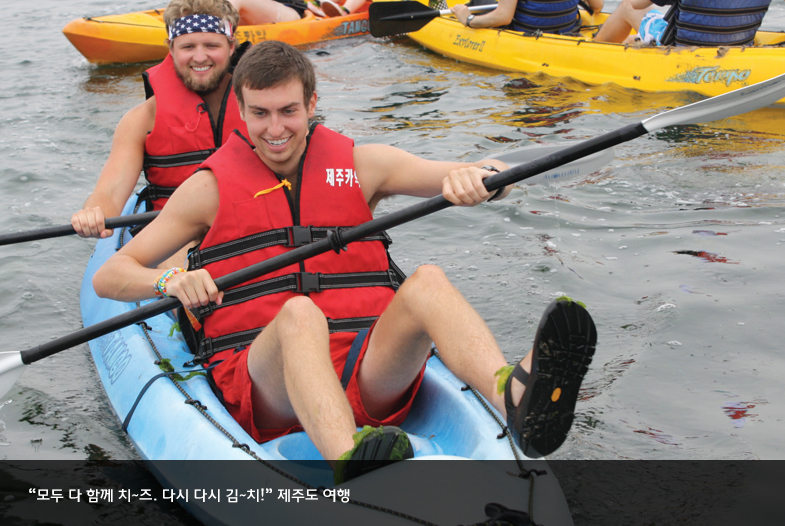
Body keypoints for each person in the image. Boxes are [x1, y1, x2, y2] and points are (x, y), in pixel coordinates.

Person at [93, 41, 597, 482]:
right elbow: (111, 275)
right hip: (267, 392)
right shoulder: (207, 189)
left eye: (289, 111)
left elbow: (487, 170)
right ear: (241, 111)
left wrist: (484, 178)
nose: (275, 129)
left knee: (428, 282)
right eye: (260, 113)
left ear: (312, 103)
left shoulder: (361, 166)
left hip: (364, 370)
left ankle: (511, 394)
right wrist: (170, 279)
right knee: (298, 313)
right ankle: (349, 458)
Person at [70, 0, 249, 244]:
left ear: (231, 47)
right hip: (174, 235)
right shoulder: (141, 120)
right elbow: (110, 193)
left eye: (211, 45)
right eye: (188, 46)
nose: (200, 57)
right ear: (171, 49)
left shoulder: (264, 108)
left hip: (247, 225)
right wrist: (94, 213)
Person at [594, 0, 772, 46]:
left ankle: (595, 50)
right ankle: (635, 40)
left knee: (627, 6)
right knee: (633, 39)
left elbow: (636, 4)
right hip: (738, 44)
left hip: (683, 48)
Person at [450, 0, 604, 34]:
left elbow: (504, 17)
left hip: (527, 34)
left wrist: (468, 20)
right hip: (567, 32)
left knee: (481, 1)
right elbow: (597, 6)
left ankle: (463, 11)